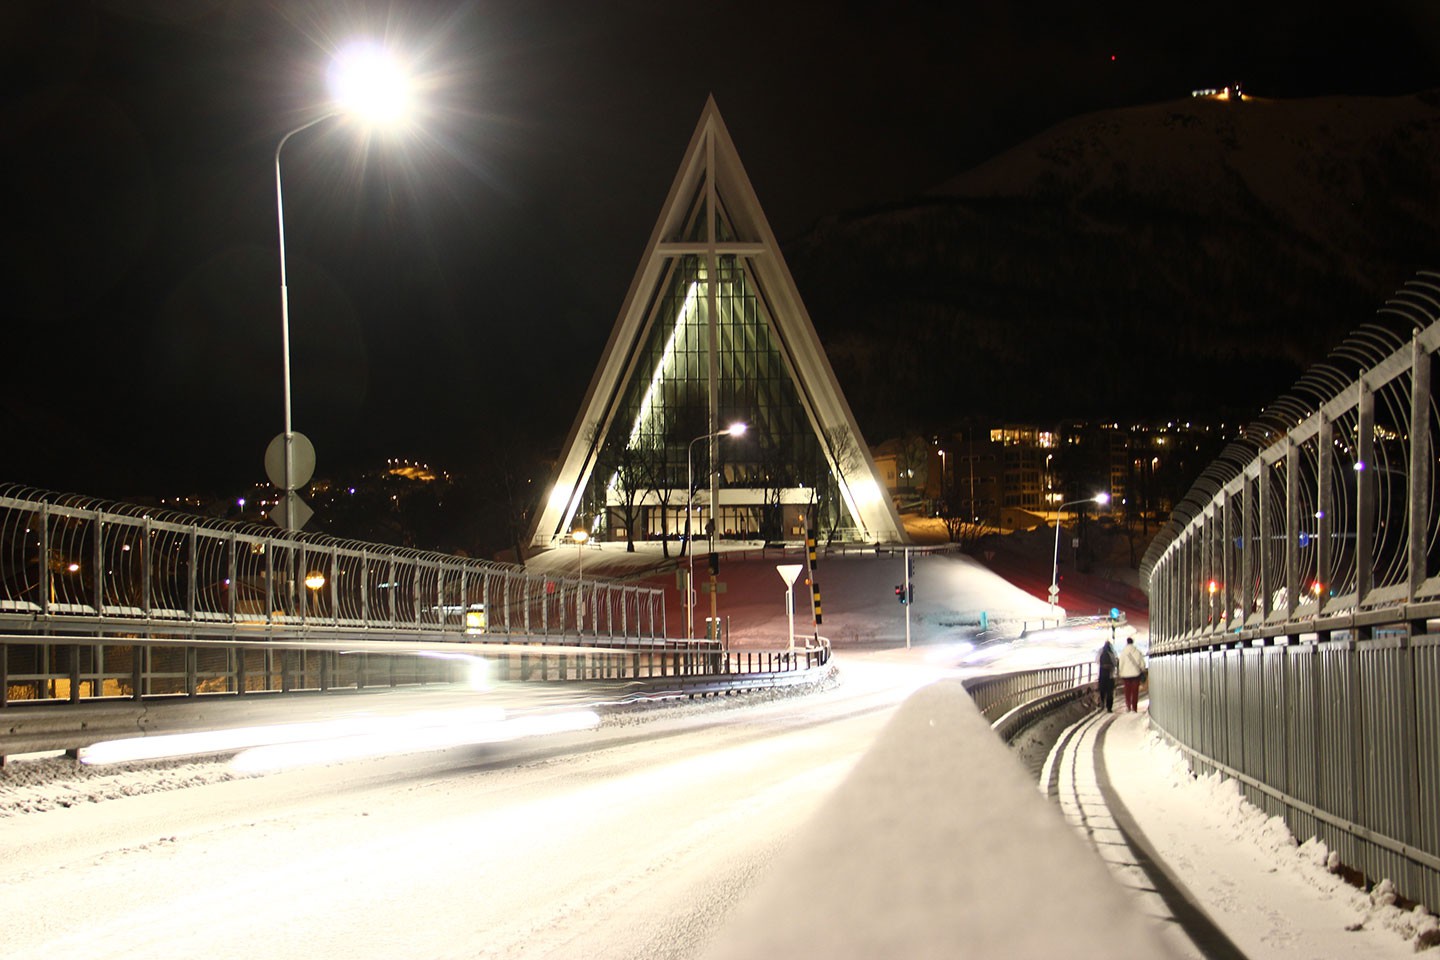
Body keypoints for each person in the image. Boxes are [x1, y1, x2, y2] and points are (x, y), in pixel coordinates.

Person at [1118, 637, 1147, 712]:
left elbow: (1121, 664)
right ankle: (1134, 707)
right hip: (1135, 674)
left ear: (1127, 642)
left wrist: (1120, 672)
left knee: (1127, 691)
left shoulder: (1123, 652)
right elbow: (1142, 663)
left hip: (1126, 675)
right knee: (1135, 692)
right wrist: (1142, 669)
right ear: (1133, 642)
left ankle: (1128, 706)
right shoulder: (1137, 651)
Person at [1097, 639, 1117, 712]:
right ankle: (1109, 707)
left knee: (1102, 690)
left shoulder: (1100, 652)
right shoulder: (1112, 653)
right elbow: (1115, 663)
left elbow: (1096, 660)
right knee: (1109, 691)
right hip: (1110, 675)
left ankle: (1102, 703)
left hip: (1102, 674)